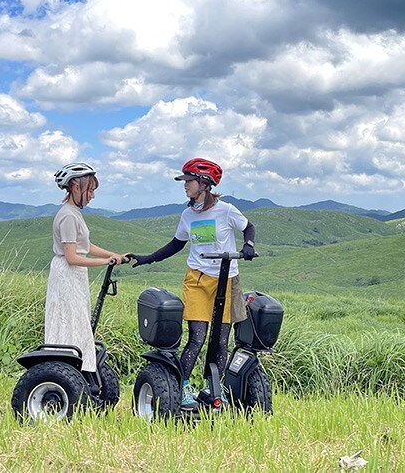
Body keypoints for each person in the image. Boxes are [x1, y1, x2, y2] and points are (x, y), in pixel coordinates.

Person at [130, 157, 256, 408]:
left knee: (221, 341)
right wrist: (149, 259)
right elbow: (177, 244)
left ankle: (212, 388)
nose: (185, 185)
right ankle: (182, 387)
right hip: (197, 280)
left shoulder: (226, 210)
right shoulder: (188, 215)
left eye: (189, 181)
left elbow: (248, 227)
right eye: (185, 181)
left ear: (205, 183)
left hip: (227, 280)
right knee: (197, 338)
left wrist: (248, 245)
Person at [47, 162, 126, 385]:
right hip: (67, 274)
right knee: (72, 322)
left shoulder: (73, 213)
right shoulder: (68, 216)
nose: (91, 195)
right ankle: (70, 373)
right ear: (74, 186)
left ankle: (76, 374)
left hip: (74, 275)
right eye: (89, 190)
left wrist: (116, 255)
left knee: (76, 321)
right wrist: (105, 261)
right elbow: (72, 257)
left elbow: (86, 246)